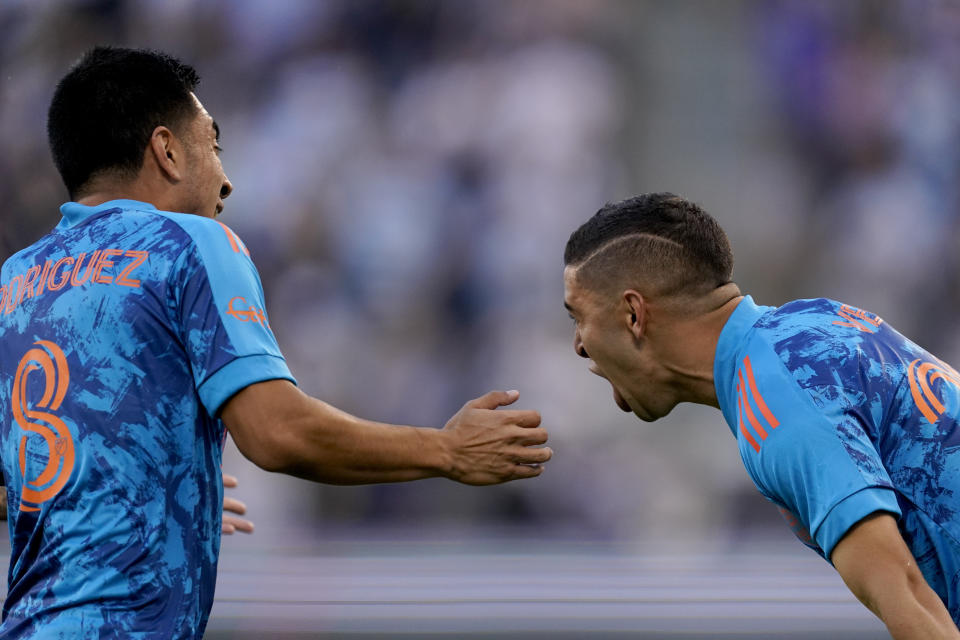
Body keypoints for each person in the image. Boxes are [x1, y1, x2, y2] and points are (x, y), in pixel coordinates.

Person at [0, 46, 551, 638]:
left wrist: (151, 485)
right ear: (166, 150)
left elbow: (22, 481)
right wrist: (447, 450)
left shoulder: (14, 281)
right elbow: (276, 434)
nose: (227, 179)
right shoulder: (190, 244)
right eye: (213, 145)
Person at [563, 192, 960, 639]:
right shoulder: (811, 324)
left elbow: (909, 597)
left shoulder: (778, 401)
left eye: (578, 317)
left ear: (634, 314)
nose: (578, 344)